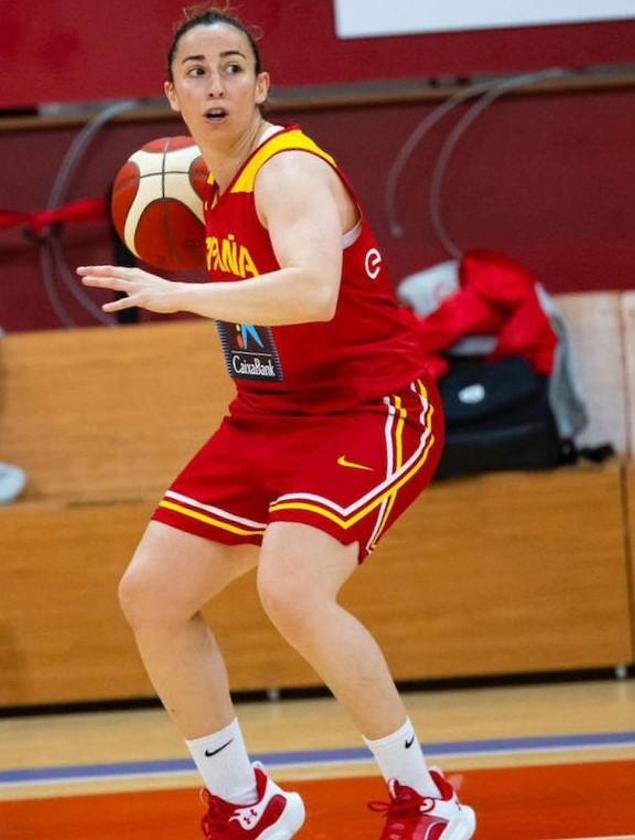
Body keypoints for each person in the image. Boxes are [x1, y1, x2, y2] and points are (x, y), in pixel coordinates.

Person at [79, 8, 476, 840]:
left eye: (232, 67)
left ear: (261, 87)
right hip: (268, 416)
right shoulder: (198, 185)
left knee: (292, 589)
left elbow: (310, 293)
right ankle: (242, 801)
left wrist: (178, 293)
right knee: (150, 595)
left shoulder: (288, 171)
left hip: (371, 408)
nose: (214, 83)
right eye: (196, 70)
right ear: (173, 95)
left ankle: (425, 796)